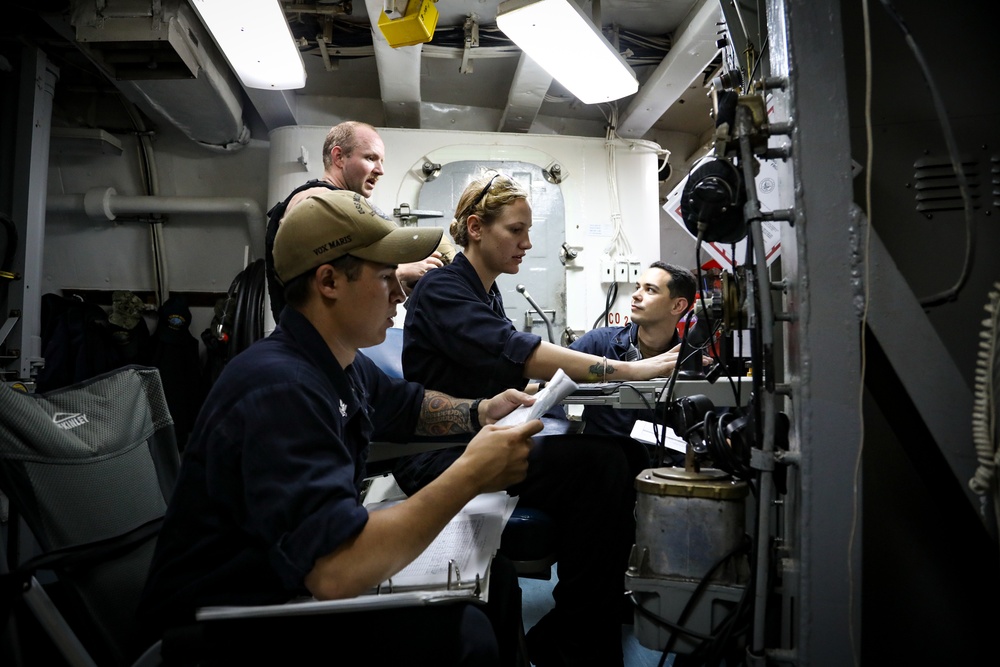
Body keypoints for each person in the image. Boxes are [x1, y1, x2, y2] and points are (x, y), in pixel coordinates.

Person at [138, 189, 543, 666]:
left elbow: (406, 405)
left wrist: (480, 412)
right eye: (386, 276)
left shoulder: (338, 361)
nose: (399, 292)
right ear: (329, 280)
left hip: (282, 593)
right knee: (463, 632)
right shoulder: (280, 387)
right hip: (221, 629)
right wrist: (472, 473)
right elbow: (335, 572)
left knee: (496, 588)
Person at [393, 173, 697, 667]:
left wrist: (537, 393)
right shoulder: (443, 290)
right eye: (516, 230)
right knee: (599, 465)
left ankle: (579, 624)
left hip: (481, 433)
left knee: (621, 455)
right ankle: (581, 641)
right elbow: (520, 351)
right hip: (440, 453)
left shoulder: (483, 292)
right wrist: (630, 370)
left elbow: (496, 369)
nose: (527, 243)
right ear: (475, 228)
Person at [264, 120, 449, 320]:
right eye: (370, 158)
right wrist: (401, 272)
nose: (380, 170)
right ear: (339, 157)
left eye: (382, 161)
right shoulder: (319, 203)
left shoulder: (343, 207)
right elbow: (324, 280)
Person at [569, 262, 698, 447]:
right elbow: (552, 386)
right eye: (638, 287)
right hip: (604, 463)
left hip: (665, 469)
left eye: (650, 290)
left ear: (678, 305)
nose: (636, 295)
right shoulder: (599, 344)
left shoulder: (688, 362)